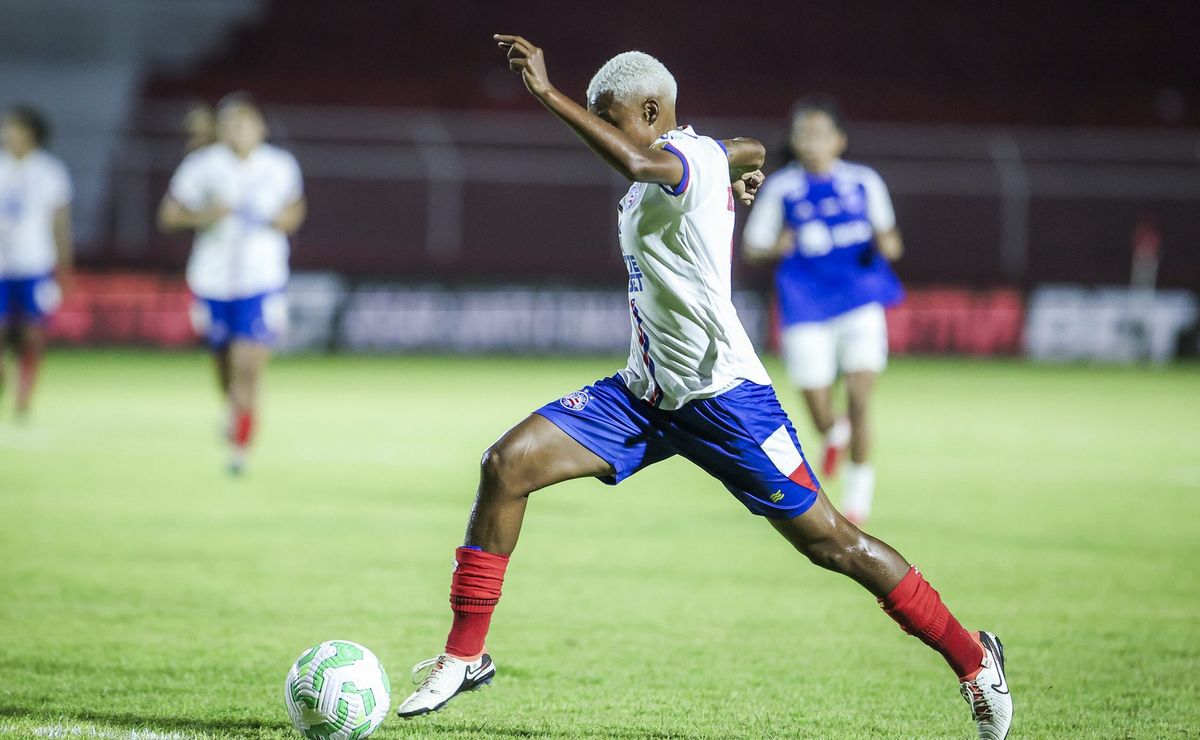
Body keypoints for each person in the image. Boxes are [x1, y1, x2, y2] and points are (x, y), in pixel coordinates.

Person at [395, 37, 1012, 740]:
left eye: (610, 115)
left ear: (652, 110)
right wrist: (742, 174)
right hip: (642, 398)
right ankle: (464, 657)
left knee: (834, 544)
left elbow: (656, 156)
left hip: (727, 403)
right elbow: (745, 148)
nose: (599, 129)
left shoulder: (678, 160)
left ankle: (973, 661)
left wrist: (546, 93)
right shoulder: (692, 160)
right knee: (505, 465)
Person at [742, 97, 904, 525]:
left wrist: (884, 243)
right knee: (817, 405)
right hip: (805, 305)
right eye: (803, 134)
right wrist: (778, 245)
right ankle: (834, 434)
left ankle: (857, 501)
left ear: (840, 140)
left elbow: (891, 240)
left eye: (819, 133)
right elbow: (753, 244)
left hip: (860, 302)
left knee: (860, 401)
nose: (811, 141)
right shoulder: (782, 188)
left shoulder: (864, 182)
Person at [157, 94, 306, 474]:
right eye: (231, 124)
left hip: (262, 278)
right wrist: (207, 214)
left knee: (247, 363)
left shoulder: (278, 164)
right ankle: (233, 412)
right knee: (223, 362)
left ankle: (240, 449)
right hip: (212, 280)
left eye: (246, 123)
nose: (238, 131)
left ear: (261, 127)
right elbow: (169, 215)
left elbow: (294, 208)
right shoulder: (203, 166)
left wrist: (282, 221)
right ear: (221, 129)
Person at [0, 105, 73, 420]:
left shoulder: (50, 172)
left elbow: (61, 223)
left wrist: (65, 268)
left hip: (35, 264)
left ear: (30, 133)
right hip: (1, 266)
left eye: (12, 128)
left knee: (33, 332)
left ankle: (25, 394)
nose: (6, 134)